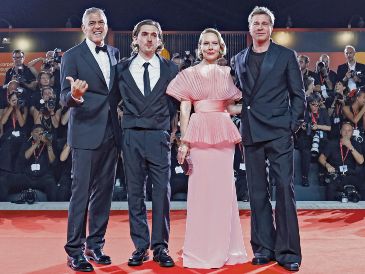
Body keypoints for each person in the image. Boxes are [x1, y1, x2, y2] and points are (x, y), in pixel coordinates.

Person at [231, 6, 305, 272]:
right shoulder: (238, 58)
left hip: (279, 131)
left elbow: (299, 95)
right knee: (257, 193)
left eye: (264, 23)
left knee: (284, 189)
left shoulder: (286, 55)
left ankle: (288, 252)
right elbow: (236, 94)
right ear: (249, 28)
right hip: (251, 132)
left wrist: (291, 125)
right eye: (255, 23)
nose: (260, 27)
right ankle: (263, 248)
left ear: (271, 28)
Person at [166, 28, 248, 269]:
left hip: (222, 133)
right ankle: (200, 248)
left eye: (214, 43)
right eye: (205, 43)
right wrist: (184, 141)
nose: (210, 47)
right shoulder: (188, 74)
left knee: (224, 193)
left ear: (221, 47)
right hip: (199, 134)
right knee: (200, 193)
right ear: (199, 47)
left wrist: (257, 109)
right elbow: (184, 110)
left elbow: (231, 108)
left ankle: (227, 248)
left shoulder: (227, 74)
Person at [60, 7, 120, 272]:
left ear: (106, 26)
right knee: (81, 193)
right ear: (83, 28)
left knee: (104, 193)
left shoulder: (115, 53)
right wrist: (75, 95)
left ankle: (95, 245)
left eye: (101, 22)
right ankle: (75, 251)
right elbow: (64, 97)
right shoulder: (71, 56)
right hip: (85, 132)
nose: (97, 26)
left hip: (111, 132)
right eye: (92, 22)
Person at [116, 19, 178, 268]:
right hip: (131, 136)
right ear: (135, 39)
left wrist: (171, 131)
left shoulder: (171, 69)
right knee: (134, 192)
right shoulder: (120, 68)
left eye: (154, 35)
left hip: (158, 136)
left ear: (160, 40)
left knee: (162, 191)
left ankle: (160, 247)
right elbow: (113, 103)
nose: (149, 39)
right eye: (145, 34)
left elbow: (176, 104)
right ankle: (140, 246)